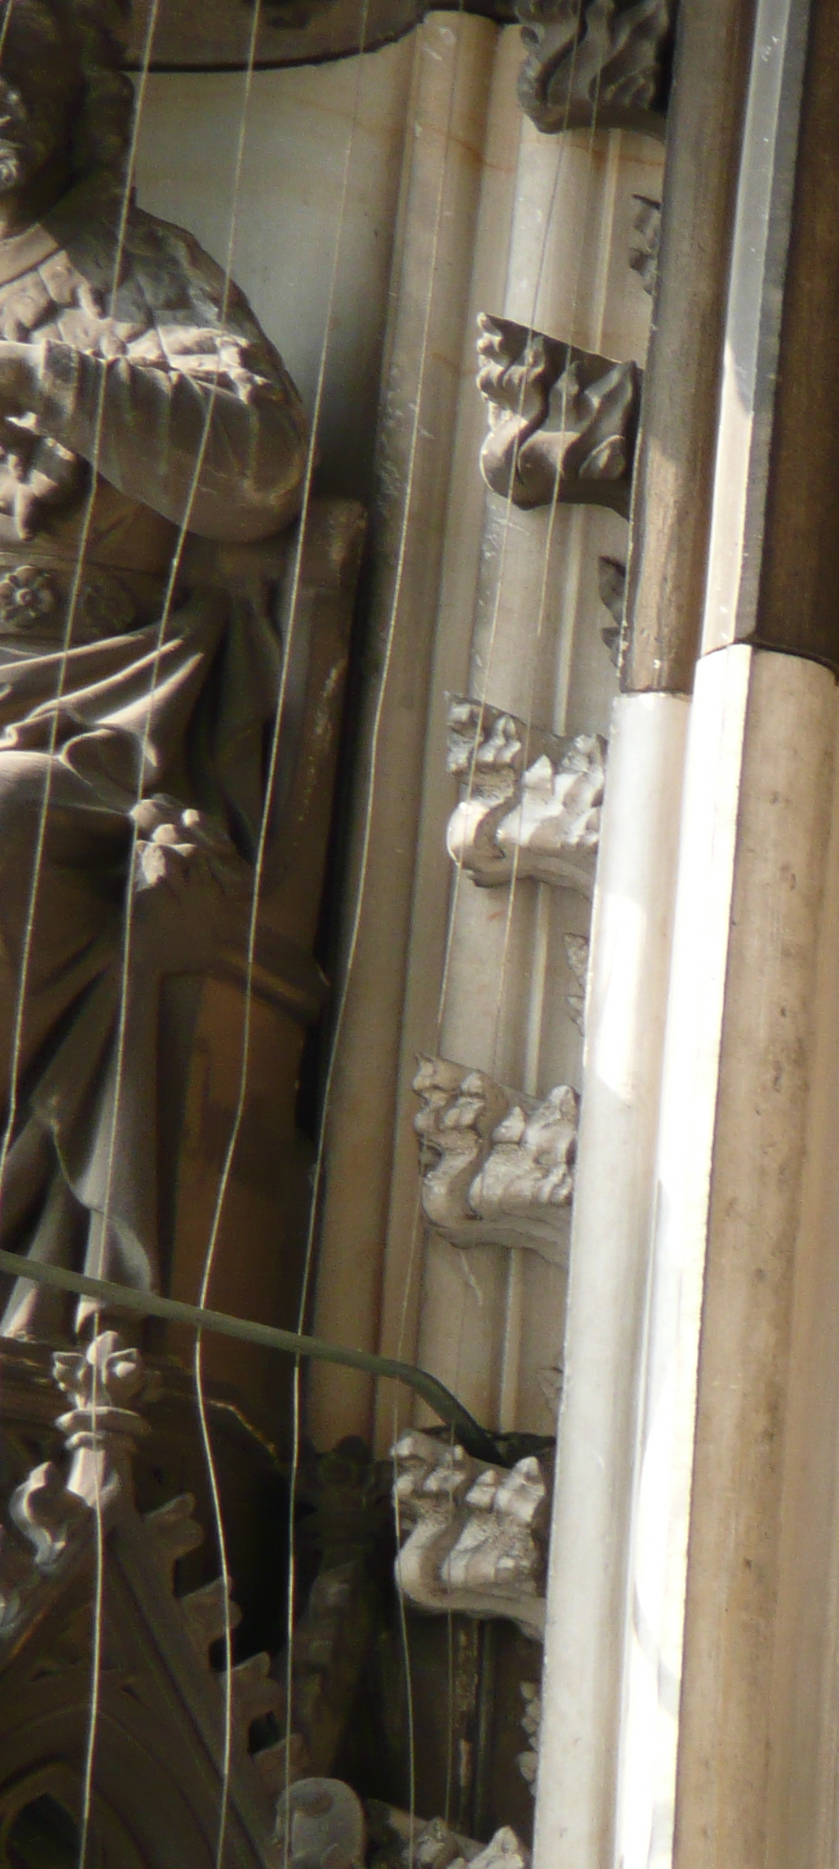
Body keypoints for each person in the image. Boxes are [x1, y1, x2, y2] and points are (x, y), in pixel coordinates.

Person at [0, 1, 310, 1331]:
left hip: (91, 714)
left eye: (29, 66)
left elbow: (259, 457)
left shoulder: (123, 265)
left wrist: (42, 378)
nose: (5, 96)